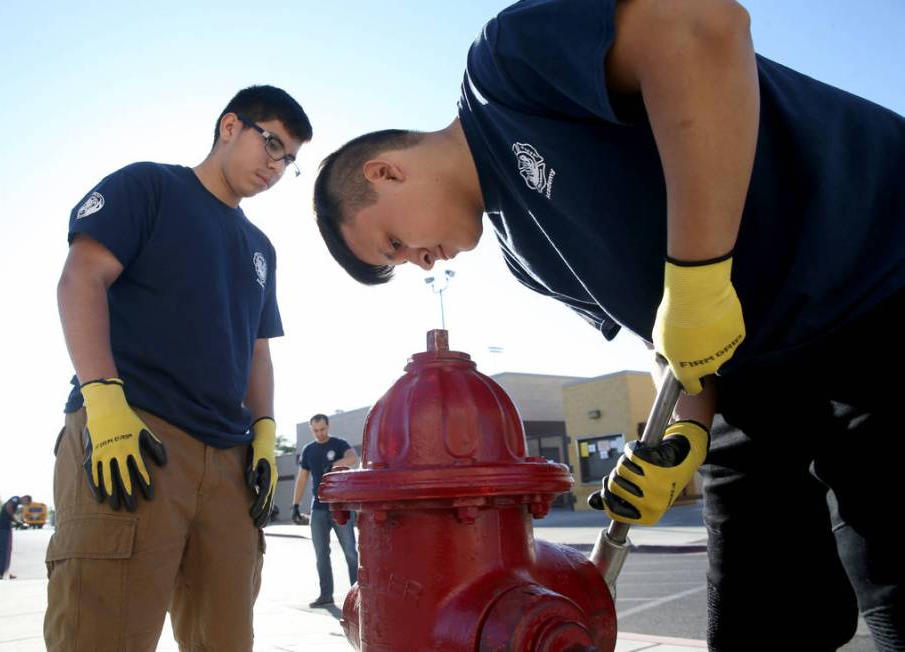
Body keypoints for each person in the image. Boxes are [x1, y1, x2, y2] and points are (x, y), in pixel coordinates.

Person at [311, 1, 905, 650]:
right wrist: (684, 431)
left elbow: (702, 25)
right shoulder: (529, 259)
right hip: (755, 378)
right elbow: (671, 336)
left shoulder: (505, 69)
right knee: (754, 626)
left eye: (394, 243)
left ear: (384, 170)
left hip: (877, 283)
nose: (419, 263)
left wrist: (699, 271)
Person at [47, 85, 312, 651]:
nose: (276, 165)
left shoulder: (261, 248)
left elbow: (258, 351)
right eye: (272, 143)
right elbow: (81, 279)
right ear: (229, 126)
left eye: (289, 160)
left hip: (229, 466)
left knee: (225, 640)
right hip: (136, 439)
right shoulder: (149, 186)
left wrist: (264, 432)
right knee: (103, 636)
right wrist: (103, 400)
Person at [292, 413, 359, 608]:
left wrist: (335, 464)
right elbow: (303, 478)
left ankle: (358, 593)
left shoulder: (339, 444)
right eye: (316, 430)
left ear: (328, 426)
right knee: (321, 553)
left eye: (323, 429)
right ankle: (325, 595)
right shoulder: (309, 450)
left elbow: (353, 458)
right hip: (319, 508)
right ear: (311, 429)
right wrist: (295, 505)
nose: (320, 433)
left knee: (350, 552)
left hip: (340, 506)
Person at [0, 494, 32, 580]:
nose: (24, 505)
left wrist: (19, 522)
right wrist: (16, 521)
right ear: (25, 498)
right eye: (26, 503)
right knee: (5, 550)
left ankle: (5, 571)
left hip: (5, 527)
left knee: (7, 550)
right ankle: (2, 573)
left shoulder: (17, 503)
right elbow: (8, 507)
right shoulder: (15, 499)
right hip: (2, 528)